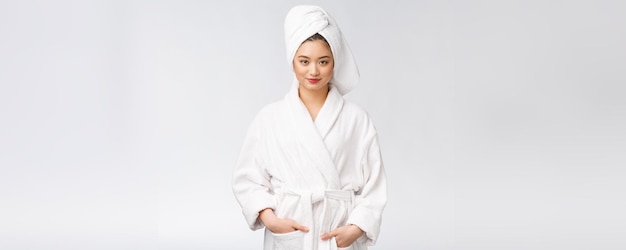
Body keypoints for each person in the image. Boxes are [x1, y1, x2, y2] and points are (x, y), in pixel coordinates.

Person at [232, 5, 387, 250]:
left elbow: (374, 185)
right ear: (292, 61)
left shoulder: (357, 119)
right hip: (291, 233)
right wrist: (270, 219)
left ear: (334, 62)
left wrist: (356, 228)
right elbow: (247, 180)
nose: (313, 71)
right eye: (304, 61)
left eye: (323, 61)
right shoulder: (269, 118)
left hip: (339, 233)